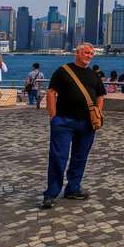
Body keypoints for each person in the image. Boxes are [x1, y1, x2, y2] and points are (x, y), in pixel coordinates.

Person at [41, 43, 106, 210]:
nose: (89, 55)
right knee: (58, 157)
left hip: (87, 124)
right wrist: (53, 117)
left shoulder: (93, 75)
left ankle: (73, 188)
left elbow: (100, 96)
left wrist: (97, 112)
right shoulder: (63, 71)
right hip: (63, 122)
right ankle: (51, 193)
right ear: (77, 53)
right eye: (86, 52)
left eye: (92, 53)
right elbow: (51, 93)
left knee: (80, 157)